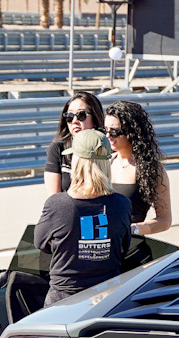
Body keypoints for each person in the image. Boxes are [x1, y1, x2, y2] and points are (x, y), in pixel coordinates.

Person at [36, 129, 133, 307]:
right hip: (108, 297)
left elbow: (40, 244)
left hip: (63, 298)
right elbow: (123, 247)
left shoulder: (57, 204)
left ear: (77, 161)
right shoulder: (122, 204)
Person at [104, 100, 175, 236]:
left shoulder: (151, 169)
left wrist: (134, 229)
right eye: (105, 130)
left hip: (127, 245)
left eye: (114, 132)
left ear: (132, 131)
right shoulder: (105, 162)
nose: (108, 136)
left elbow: (164, 220)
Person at [42, 90, 109, 194]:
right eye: (69, 116)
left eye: (81, 115)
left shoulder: (106, 146)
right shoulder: (58, 148)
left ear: (95, 120)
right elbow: (54, 199)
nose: (74, 121)